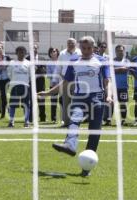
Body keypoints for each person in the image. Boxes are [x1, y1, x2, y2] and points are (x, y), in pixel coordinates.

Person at [38, 36, 112, 177]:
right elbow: (65, 82)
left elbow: (107, 80)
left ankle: (87, 168)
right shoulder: (73, 61)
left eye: (89, 48)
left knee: (95, 131)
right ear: (80, 47)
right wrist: (49, 92)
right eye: (83, 48)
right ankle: (70, 145)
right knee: (74, 118)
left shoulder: (101, 61)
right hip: (79, 96)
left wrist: (109, 96)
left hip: (97, 97)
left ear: (93, 47)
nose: (86, 51)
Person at [55, 38, 81, 127]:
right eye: (69, 43)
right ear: (67, 44)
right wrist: (55, 80)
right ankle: (66, 122)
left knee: (76, 102)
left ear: (76, 44)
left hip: (77, 80)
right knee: (66, 102)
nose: (70, 44)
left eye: (72, 43)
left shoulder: (80, 53)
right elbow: (58, 68)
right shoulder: (62, 54)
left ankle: (75, 122)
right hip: (65, 80)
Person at [7, 46, 31, 128]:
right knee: (13, 104)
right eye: (19, 52)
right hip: (15, 86)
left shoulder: (29, 63)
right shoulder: (12, 63)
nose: (21, 54)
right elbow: (9, 74)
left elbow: (31, 75)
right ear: (16, 53)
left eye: (23, 52)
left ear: (25, 53)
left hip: (25, 86)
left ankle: (26, 121)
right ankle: (11, 121)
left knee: (26, 105)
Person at [26, 44, 46, 122]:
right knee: (31, 100)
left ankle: (42, 117)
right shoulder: (27, 59)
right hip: (31, 82)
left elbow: (44, 71)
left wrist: (37, 68)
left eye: (35, 48)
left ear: (37, 49)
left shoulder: (42, 59)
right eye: (32, 48)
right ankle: (31, 118)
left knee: (41, 100)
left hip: (41, 82)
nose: (34, 49)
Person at [114, 44, 130, 125]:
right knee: (111, 104)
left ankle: (123, 120)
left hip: (123, 86)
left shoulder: (127, 61)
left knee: (123, 104)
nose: (120, 52)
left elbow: (126, 70)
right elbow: (110, 70)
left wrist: (116, 69)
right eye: (118, 51)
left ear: (124, 51)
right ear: (115, 52)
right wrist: (121, 68)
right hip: (113, 87)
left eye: (121, 50)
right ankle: (108, 119)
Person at [46, 47, 62, 123]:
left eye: (55, 51)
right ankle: (53, 118)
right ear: (50, 54)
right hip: (53, 84)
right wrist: (55, 77)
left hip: (62, 84)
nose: (54, 52)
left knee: (62, 102)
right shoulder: (49, 63)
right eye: (52, 51)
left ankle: (63, 118)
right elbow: (48, 75)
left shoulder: (61, 61)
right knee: (53, 102)